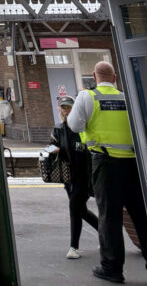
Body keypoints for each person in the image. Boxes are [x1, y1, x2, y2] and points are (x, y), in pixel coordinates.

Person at [68, 61, 147, 283]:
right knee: (142, 217)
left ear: (94, 76)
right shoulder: (127, 97)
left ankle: (112, 268)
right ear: (114, 77)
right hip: (134, 164)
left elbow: (75, 126)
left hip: (106, 164)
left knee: (109, 217)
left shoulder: (87, 96)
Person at [50, 94, 98, 259]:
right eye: (63, 107)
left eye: (68, 107)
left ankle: (73, 247)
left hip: (84, 176)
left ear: (74, 108)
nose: (65, 110)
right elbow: (54, 144)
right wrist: (51, 149)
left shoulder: (81, 127)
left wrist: (60, 150)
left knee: (74, 207)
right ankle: (105, 233)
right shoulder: (58, 128)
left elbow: (82, 151)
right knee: (81, 210)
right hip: (68, 177)